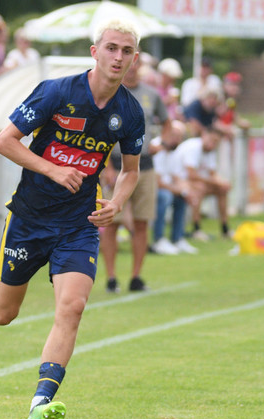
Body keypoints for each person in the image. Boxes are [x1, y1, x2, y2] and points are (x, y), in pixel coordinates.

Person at [0, 19, 144, 419]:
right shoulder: (57, 92)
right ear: (95, 51)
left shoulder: (130, 112)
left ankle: (40, 402)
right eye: (112, 48)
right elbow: (4, 140)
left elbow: (130, 171)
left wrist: (117, 202)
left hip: (79, 224)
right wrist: (51, 168)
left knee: (73, 307)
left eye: (126, 51)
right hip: (29, 220)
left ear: (134, 59)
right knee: (2, 312)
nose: (118, 57)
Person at [100, 50, 169, 293]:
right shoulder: (109, 93)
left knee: (142, 222)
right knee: (111, 223)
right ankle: (111, 277)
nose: (129, 67)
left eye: (132, 62)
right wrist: (106, 166)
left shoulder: (151, 95)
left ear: (137, 64)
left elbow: (168, 123)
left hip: (145, 164)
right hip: (116, 163)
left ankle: (136, 276)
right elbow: (100, 133)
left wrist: (163, 142)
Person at [149, 120, 198, 255]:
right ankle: (158, 239)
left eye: (179, 136)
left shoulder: (174, 150)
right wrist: (181, 190)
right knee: (165, 197)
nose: (177, 139)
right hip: (149, 187)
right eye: (174, 135)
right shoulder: (156, 147)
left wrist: (187, 191)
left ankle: (177, 238)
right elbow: (157, 182)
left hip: (166, 187)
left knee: (181, 198)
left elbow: (177, 177)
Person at [176, 125, 232, 241]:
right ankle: (196, 229)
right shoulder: (194, 147)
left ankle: (225, 229)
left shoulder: (210, 151)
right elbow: (191, 175)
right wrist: (215, 181)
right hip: (179, 181)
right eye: (212, 140)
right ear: (204, 135)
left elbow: (212, 173)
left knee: (222, 189)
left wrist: (222, 183)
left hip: (193, 181)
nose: (213, 144)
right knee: (199, 188)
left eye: (216, 142)